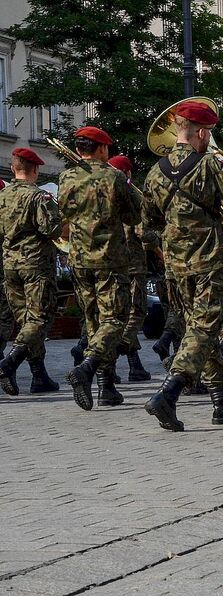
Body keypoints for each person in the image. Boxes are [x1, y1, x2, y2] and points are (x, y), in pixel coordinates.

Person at [142, 101, 223, 431]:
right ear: (203, 133)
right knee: (205, 328)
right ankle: (168, 393)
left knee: (197, 326)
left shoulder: (155, 172)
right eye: (209, 134)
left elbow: (146, 226)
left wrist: (170, 239)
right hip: (208, 260)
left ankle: (221, 401)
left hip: (176, 266)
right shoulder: (210, 164)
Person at [59, 126, 142, 411]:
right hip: (109, 259)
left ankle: (106, 386)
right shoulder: (114, 176)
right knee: (115, 319)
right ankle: (88, 366)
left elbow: (64, 214)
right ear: (102, 149)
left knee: (93, 319)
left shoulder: (66, 176)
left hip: (79, 259)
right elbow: (133, 216)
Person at [0, 148, 62, 395]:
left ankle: (39, 375)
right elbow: (52, 231)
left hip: (9, 266)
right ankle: (9, 363)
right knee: (39, 319)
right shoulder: (39, 197)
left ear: (14, 168)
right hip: (35, 266)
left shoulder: (2, 196)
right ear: (35, 170)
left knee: (25, 321)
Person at [106, 155, 152, 382]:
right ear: (129, 174)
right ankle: (114, 352)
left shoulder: (103, 192)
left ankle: (133, 365)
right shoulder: (131, 195)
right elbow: (144, 233)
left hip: (111, 263)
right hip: (133, 265)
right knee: (136, 312)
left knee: (116, 314)